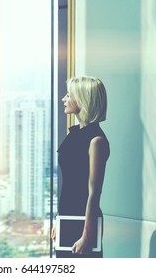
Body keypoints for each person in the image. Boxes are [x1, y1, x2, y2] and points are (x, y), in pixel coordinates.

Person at [51, 76, 110, 258]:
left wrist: (87, 235)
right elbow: (69, 185)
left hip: (84, 224)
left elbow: (93, 193)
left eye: (69, 95)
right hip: (67, 219)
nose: (64, 99)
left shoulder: (96, 140)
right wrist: (58, 221)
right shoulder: (75, 134)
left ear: (83, 100)